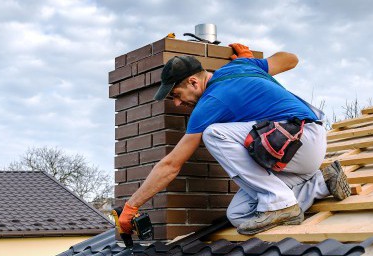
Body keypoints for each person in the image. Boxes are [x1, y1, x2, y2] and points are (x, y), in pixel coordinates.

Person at [118, 43, 350, 235]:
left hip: (300, 139)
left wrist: (132, 206)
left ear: (193, 82)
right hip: (296, 154)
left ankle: (281, 202)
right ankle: (322, 182)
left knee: (214, 133)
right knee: (239, 215)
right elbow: (291, 58)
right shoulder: (241, 65)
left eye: (176, 95)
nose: (177, 104)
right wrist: (253, 64)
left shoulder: (210, 103)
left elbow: (171, 165)